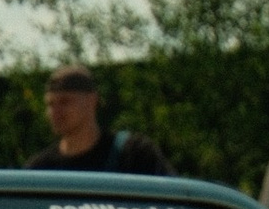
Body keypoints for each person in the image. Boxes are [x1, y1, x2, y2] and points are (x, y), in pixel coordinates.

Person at [27, 65, 173, 176]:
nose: (55, 112)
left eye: (65, 102)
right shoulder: (41, 170)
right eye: (50, 104)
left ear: (92, 101)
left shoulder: (134, 155)